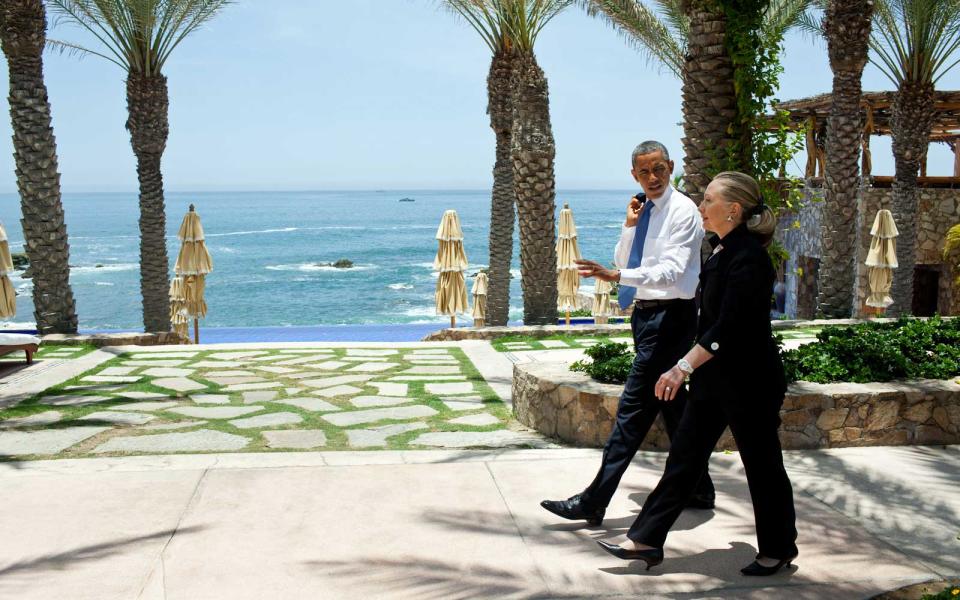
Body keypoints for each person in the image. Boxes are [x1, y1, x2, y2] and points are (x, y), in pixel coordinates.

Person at [595, 171, 799, 577]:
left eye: (708, 200)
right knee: (684, 460)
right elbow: (709, 324)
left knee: (763, 466)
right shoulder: (720, 249)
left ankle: (777, 549)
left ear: (734, 209)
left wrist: (681, 366)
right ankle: (646, 541)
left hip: (750, 382)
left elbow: (730, 326)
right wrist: (689, 364)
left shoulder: (750, 257)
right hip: (713, 381)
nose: (701, 207)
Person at [540, 141, 715, 527]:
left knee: (632, 413)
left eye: (658, 169)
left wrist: (614, 276)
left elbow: (670, 272)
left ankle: (594, 500)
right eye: (643, 172)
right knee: (672, 405)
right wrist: (630, 226)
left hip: (671, 318)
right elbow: (625, 259)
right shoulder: (645, 211)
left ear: (671, 167)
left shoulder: (683, 212)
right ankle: (700, 487)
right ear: (633, 175)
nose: (652, 178)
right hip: (646, 316)